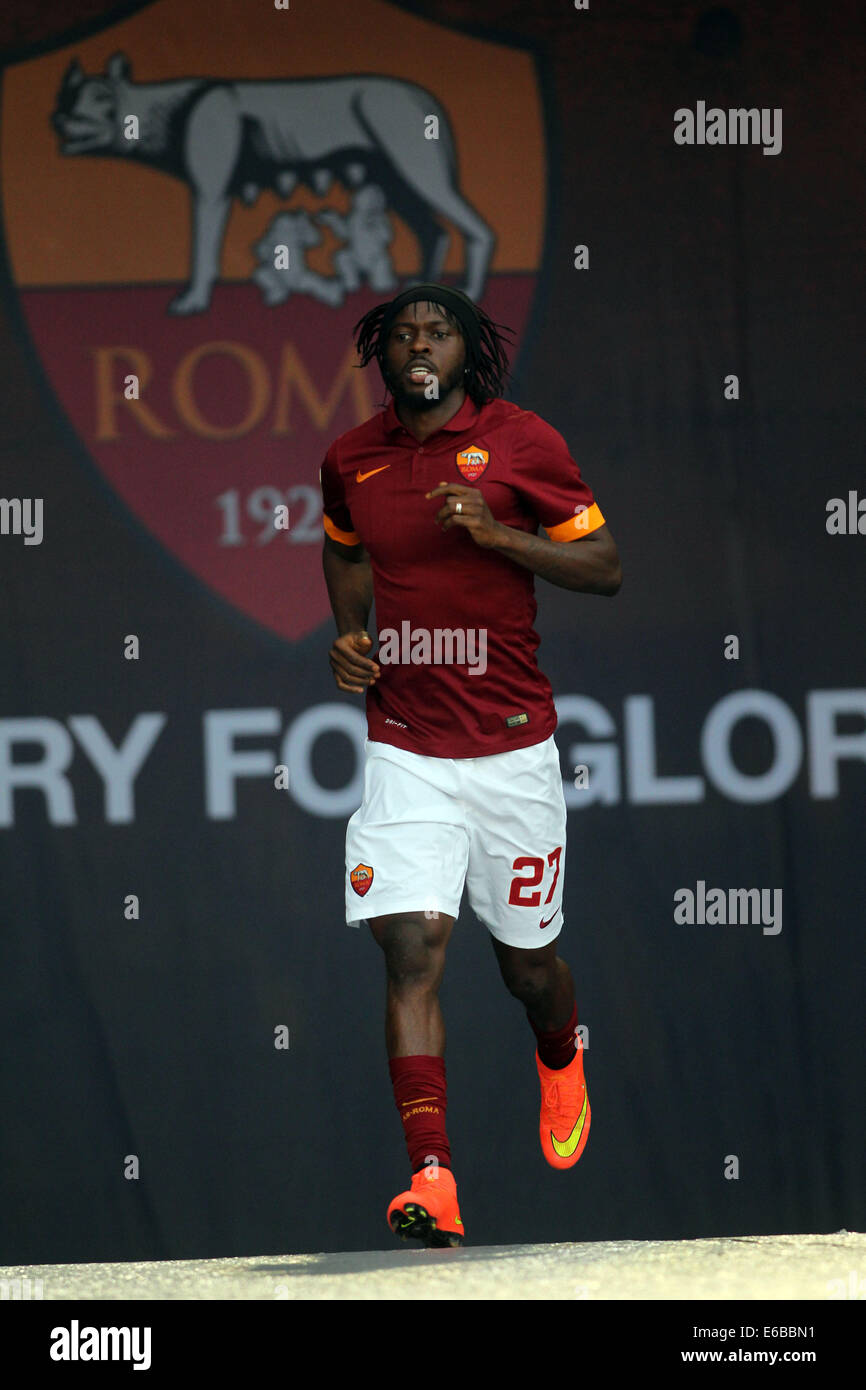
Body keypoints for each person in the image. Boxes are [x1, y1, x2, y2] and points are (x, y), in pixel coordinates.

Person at [319, 283, 621, 1246]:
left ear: (466, 351)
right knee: (410, 948)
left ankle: (561, 1051)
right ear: (381, 351)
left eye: (437, 332)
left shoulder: (523, 443)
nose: (419, 345)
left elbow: (606, 565)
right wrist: (351, 633)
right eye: (403, 332)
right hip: (406, 743)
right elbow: (345, 548)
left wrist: (495, 533)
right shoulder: (350, 458)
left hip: (511, 748)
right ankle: (433, 1177)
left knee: (528, 969)